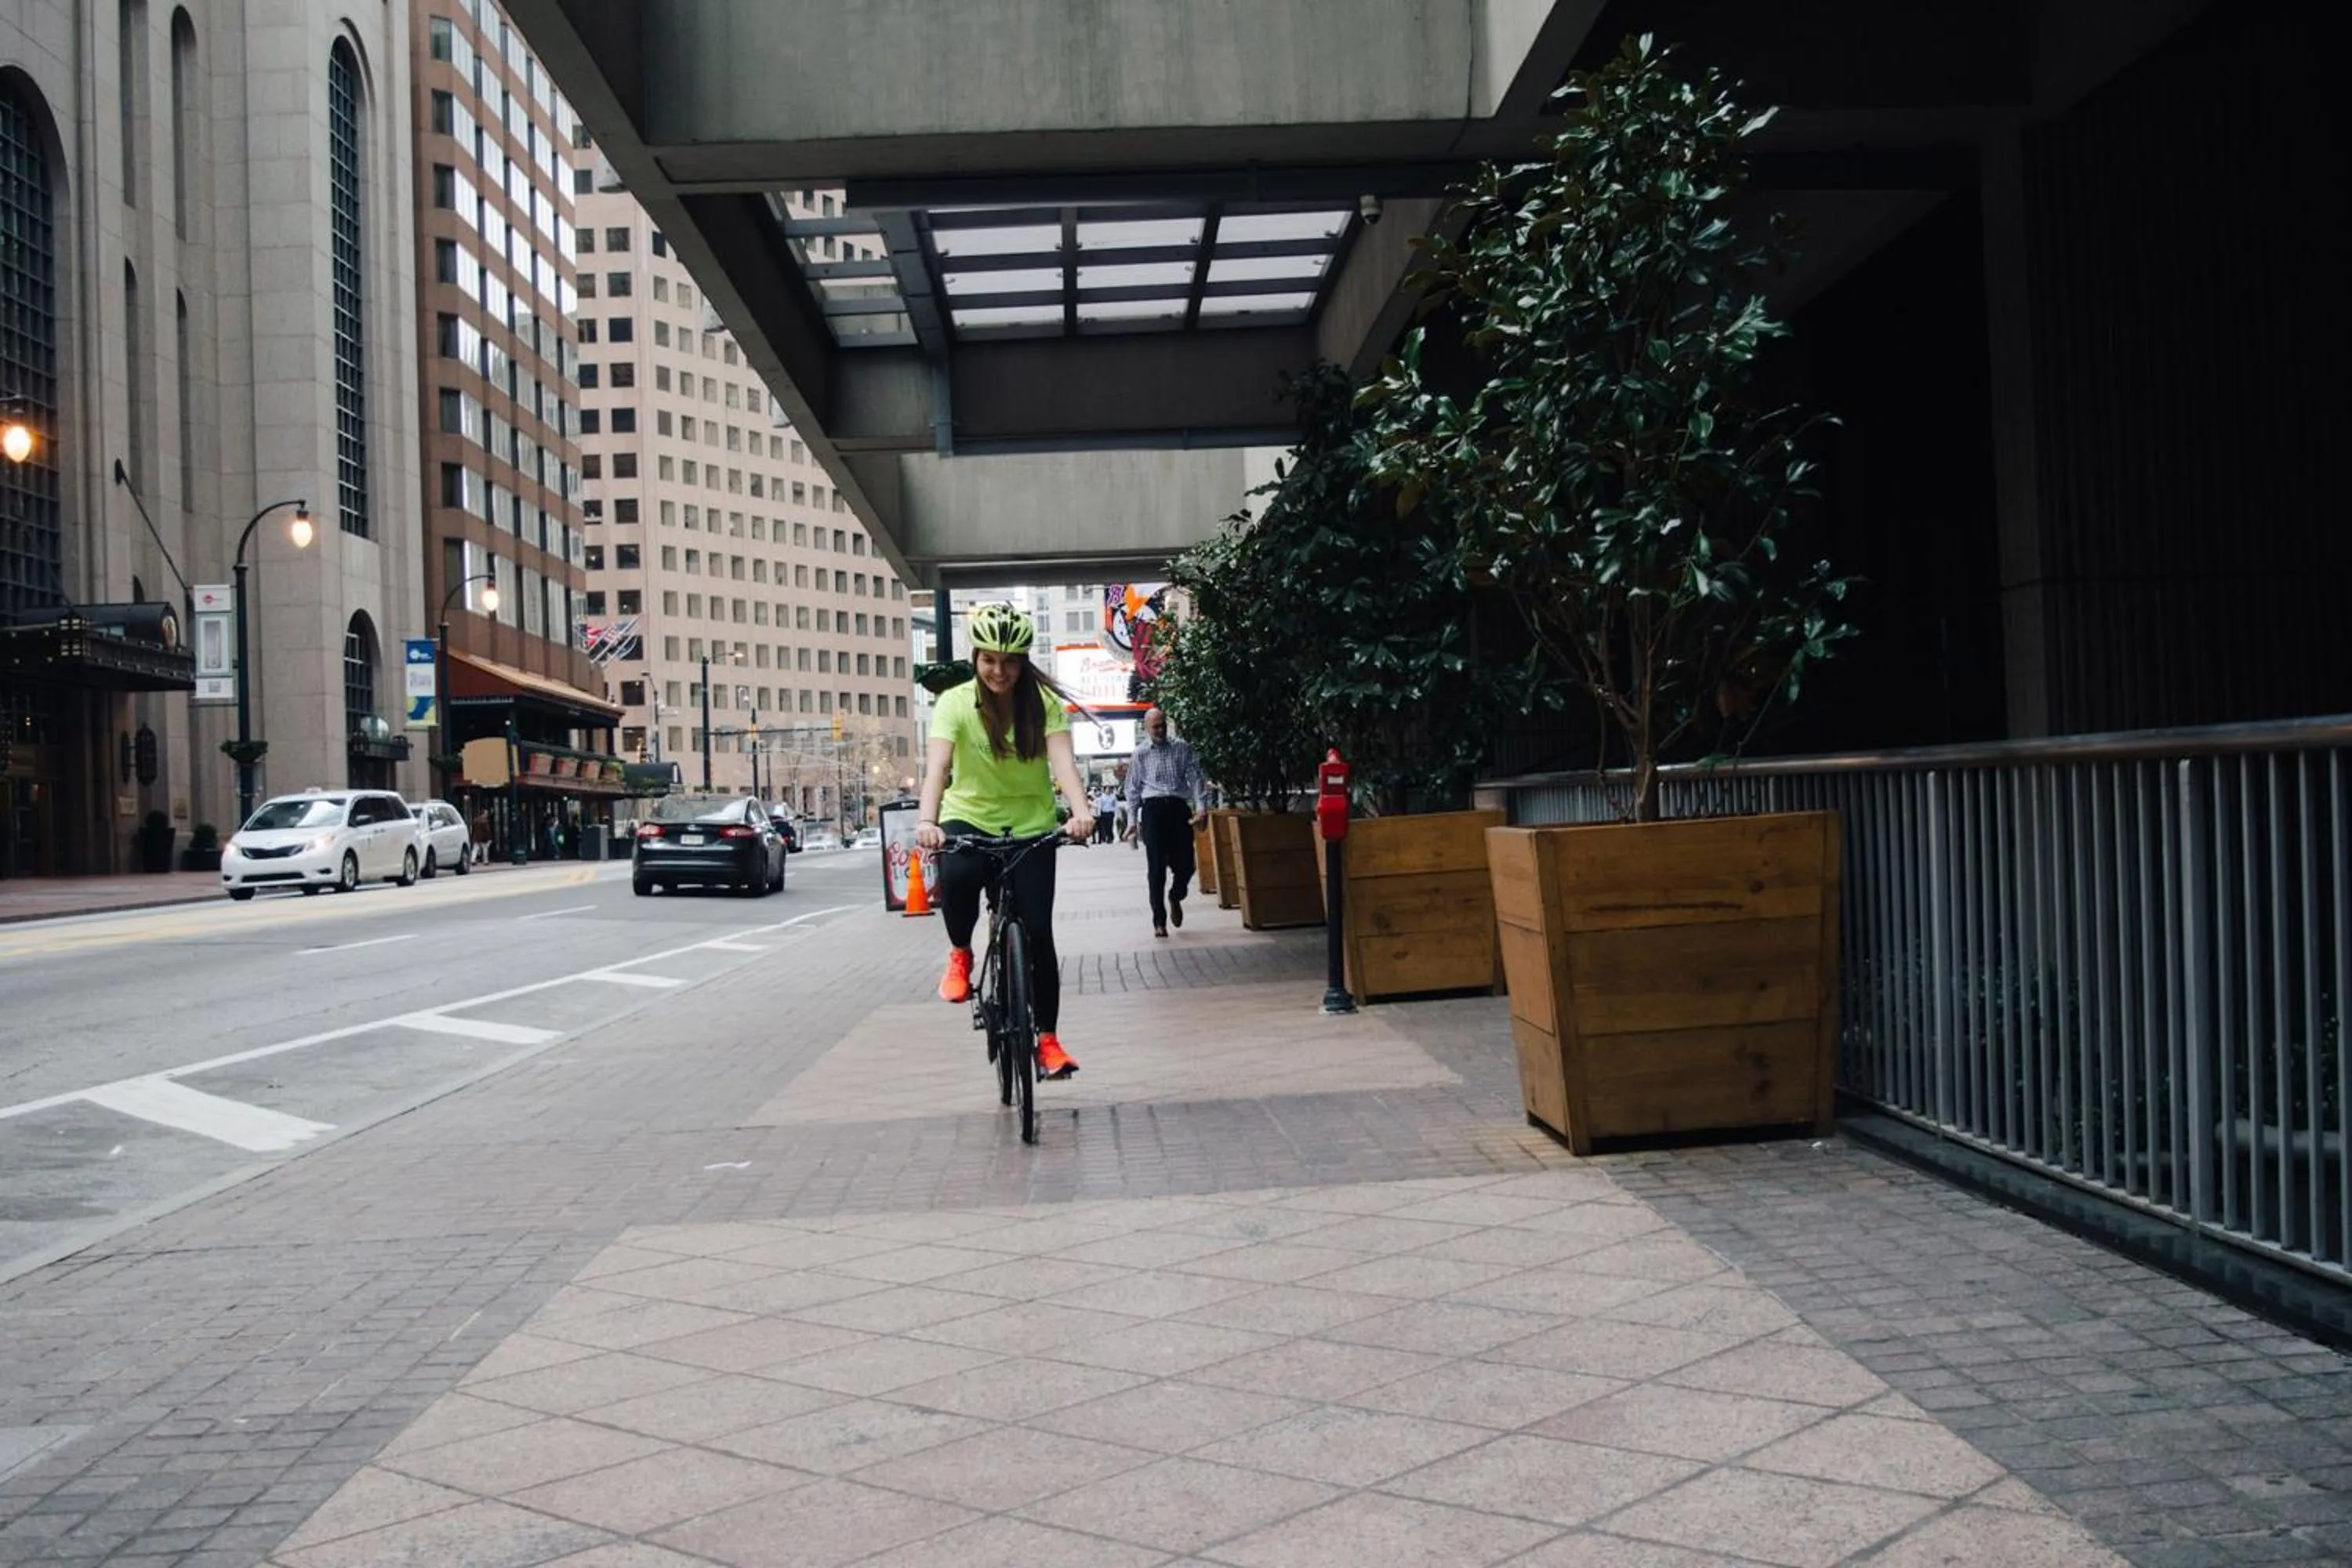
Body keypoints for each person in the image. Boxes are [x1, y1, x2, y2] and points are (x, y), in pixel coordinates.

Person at [914, 603, 1097, 1080]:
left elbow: (1063, 766)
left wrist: (1081, 813)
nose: (999, 671)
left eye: (1010, 660)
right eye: (989, 659)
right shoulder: (954, 703)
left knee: (1037, 931)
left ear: (1023, 662)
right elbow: (937, 769)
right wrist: (927, 821)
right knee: (956, 874)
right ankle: (961, 953)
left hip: (1031, 824)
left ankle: (1049, 1041)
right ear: (976, 658)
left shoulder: (1044, 705)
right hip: (967, 817)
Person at [1124, 706, 1208, 937]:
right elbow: (1132, 789)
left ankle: (1176, 895)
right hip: (1152, 812)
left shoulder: (1182, 748)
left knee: (1187, 864)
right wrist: (1132, 821)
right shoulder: (1140, 753)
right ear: (1146, 728)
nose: (1160, 730)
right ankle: (1159, 922)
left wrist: (1201, 808)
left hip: (1178, 808)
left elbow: (1197, 779)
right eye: (1155, 727)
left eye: (1162, 725)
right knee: (1156, 868)